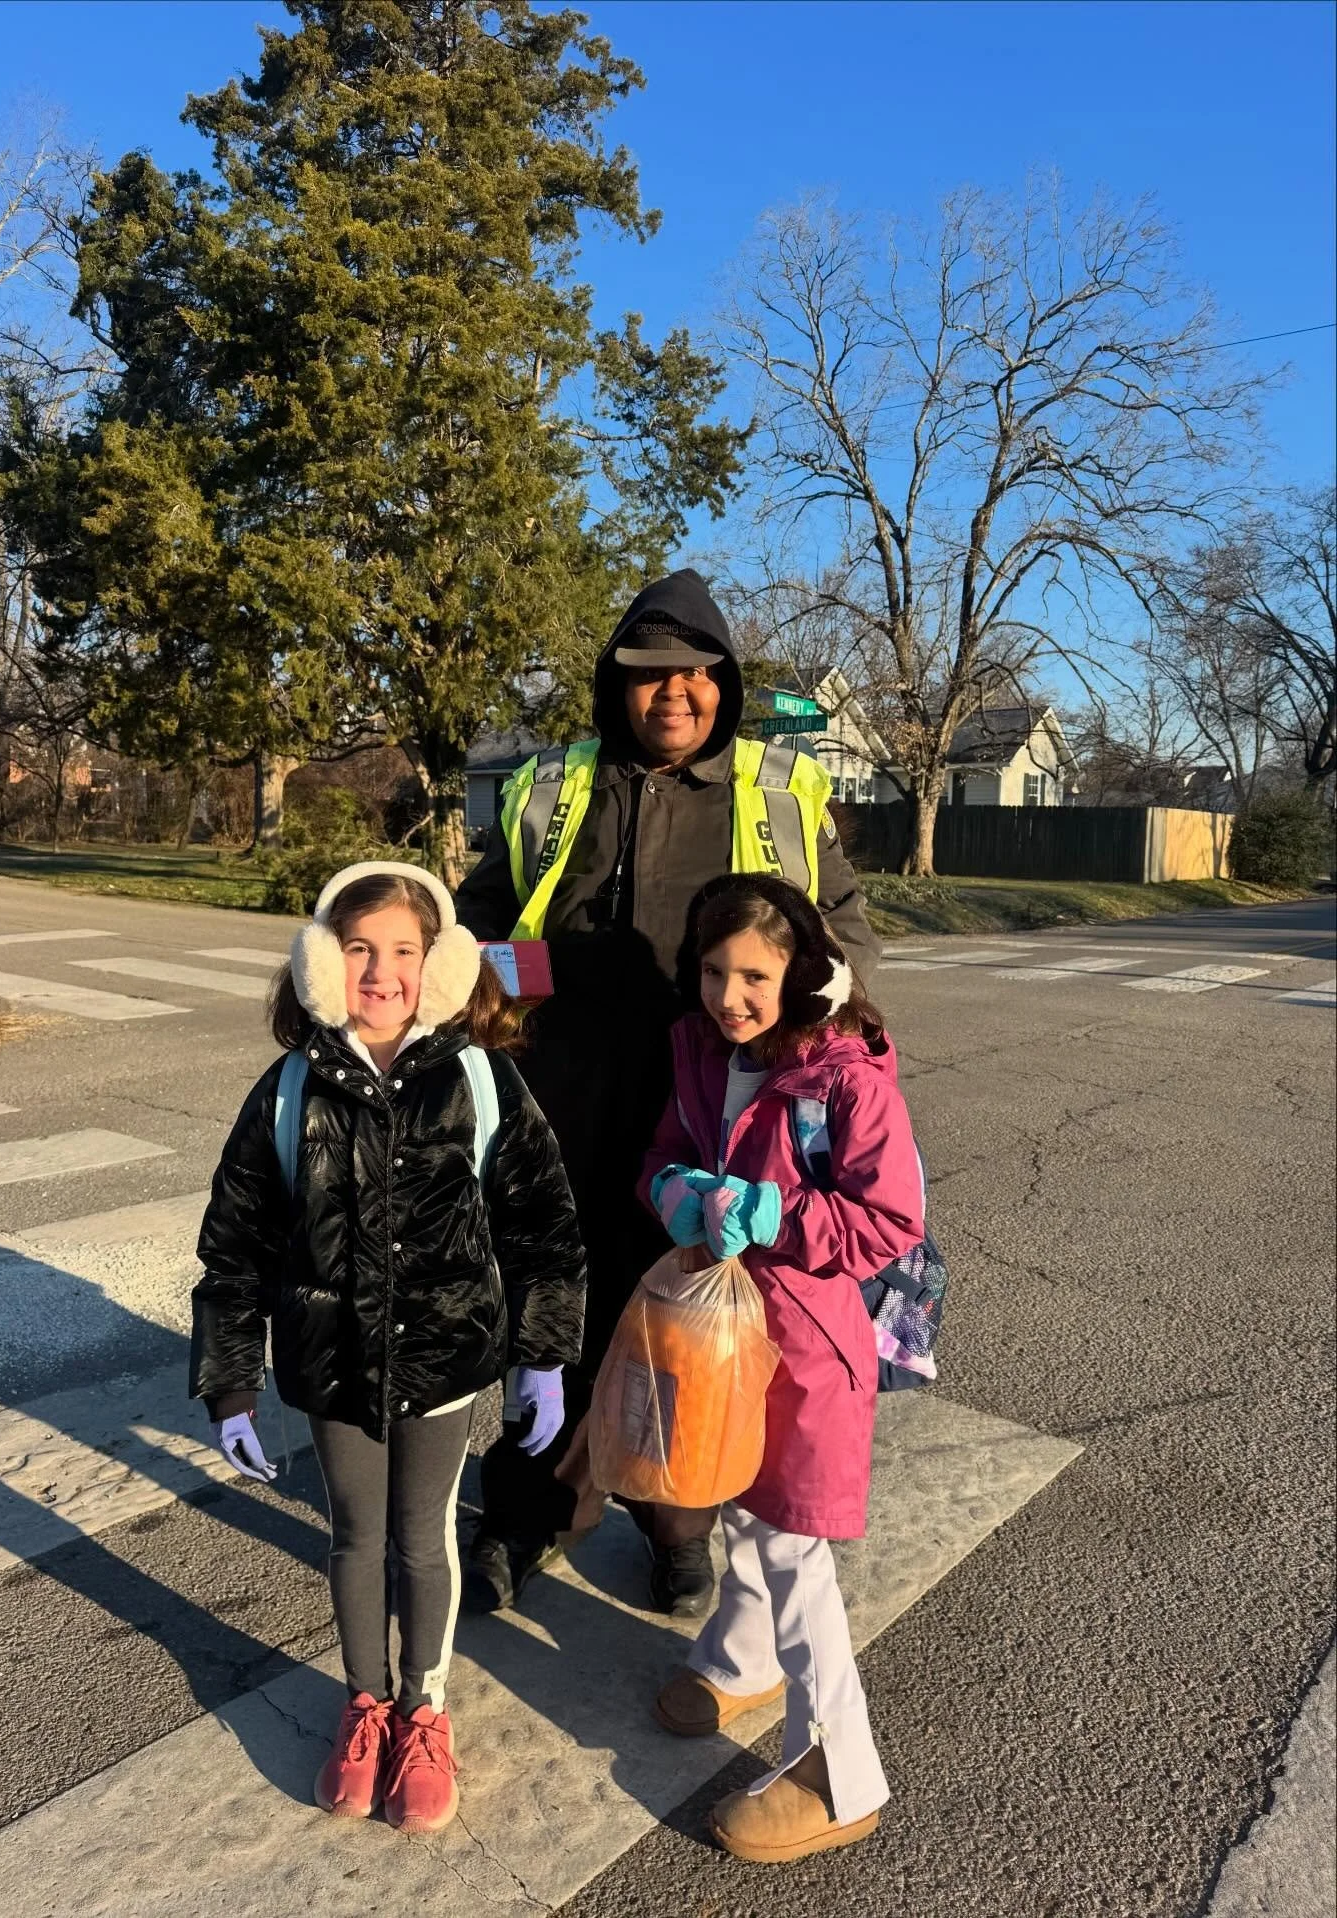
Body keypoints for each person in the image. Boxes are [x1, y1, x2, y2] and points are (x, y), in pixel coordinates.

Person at [456, 567, 881, 1618]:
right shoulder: (552, 785)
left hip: (706, 1107)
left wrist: (840, 1044)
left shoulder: (777, 793)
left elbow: (844, 934)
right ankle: (523, 1510)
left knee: (684, 1325)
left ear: (725, 684)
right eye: (649, 676)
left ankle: (672, 1520)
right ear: (617, 686)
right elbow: (480, 919)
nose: (674, 694)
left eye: (695, 674)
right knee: (549, 1309)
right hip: (558, 1096)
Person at [190, 862, 585, 1834]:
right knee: (354, 1537)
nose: (381, 971)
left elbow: (542, 1219)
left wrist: (542, 1354)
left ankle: (425, 1708)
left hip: (446, 1358)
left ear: (438, 964)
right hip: (329, 1363)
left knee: (424, 1536)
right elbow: (234, 1245)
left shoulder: (482, 1080)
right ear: (323, 961)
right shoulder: (287, 1092)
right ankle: (365, 1704)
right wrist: (231, 1379)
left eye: (403, 951)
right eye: (359, 949)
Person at [641, 873, 923, 1863]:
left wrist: (778, 1216)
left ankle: (842, 1771)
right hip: (722, 1338)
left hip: (808, 1344)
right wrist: (677, 1191)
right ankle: (742, 1654)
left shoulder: (846, 1074)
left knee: (791, 1542)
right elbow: (664, 1153)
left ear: (801, 970)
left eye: (753, 975)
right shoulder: (699, 1050)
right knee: (738, 1505)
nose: (729, 996)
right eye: (714, 971)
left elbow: (891, 1218)